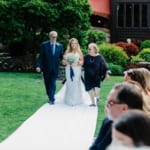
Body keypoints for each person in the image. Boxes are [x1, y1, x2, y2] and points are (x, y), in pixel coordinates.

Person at [89, 82, 143, 150]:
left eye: (110, 102)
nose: (106, 105)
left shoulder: (137, 134)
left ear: (124, 108)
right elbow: (94, 147)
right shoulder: (108, 121)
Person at [36, 31, 63, 105]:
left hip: (55, 68)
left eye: (56, 37)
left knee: (53, 82)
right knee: (47, 83)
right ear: (50, 37)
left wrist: (68, 61)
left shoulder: (59, 46)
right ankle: (50, 95)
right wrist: (38, 66)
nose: (55, 38)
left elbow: (62, 57)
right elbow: (40, 57)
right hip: (46, 68)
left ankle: (52, 99)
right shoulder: (44, 45)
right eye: (53, 37)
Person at [62, 38, 84, 106]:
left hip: (77, 69)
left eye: (75, 43)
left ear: (77, 44)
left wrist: (77, 63)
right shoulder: (67, 51)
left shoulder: (79, 52)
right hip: (69, 69)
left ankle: (76, 100)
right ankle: (69, 99)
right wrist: (66, 62)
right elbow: (63, 61)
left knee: (75, 83)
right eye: (72, 43)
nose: (73, 45)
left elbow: (82, 62)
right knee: (69, 83)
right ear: (70, 44)